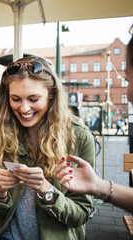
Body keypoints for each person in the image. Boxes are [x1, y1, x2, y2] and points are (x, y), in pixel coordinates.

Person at [0, 56, 95, 239]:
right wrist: (0, 193)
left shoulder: (79, 138)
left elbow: (81, 214)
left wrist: (46, 189)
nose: (24, 108)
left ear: (51, 94)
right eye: (16, 99)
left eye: (33, 99)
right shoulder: (2, 136)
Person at [56, 32, 133, 213]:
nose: (128, 93)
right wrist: (99, 187)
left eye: (128, 79)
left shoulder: (80, 134)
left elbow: (80, 210)